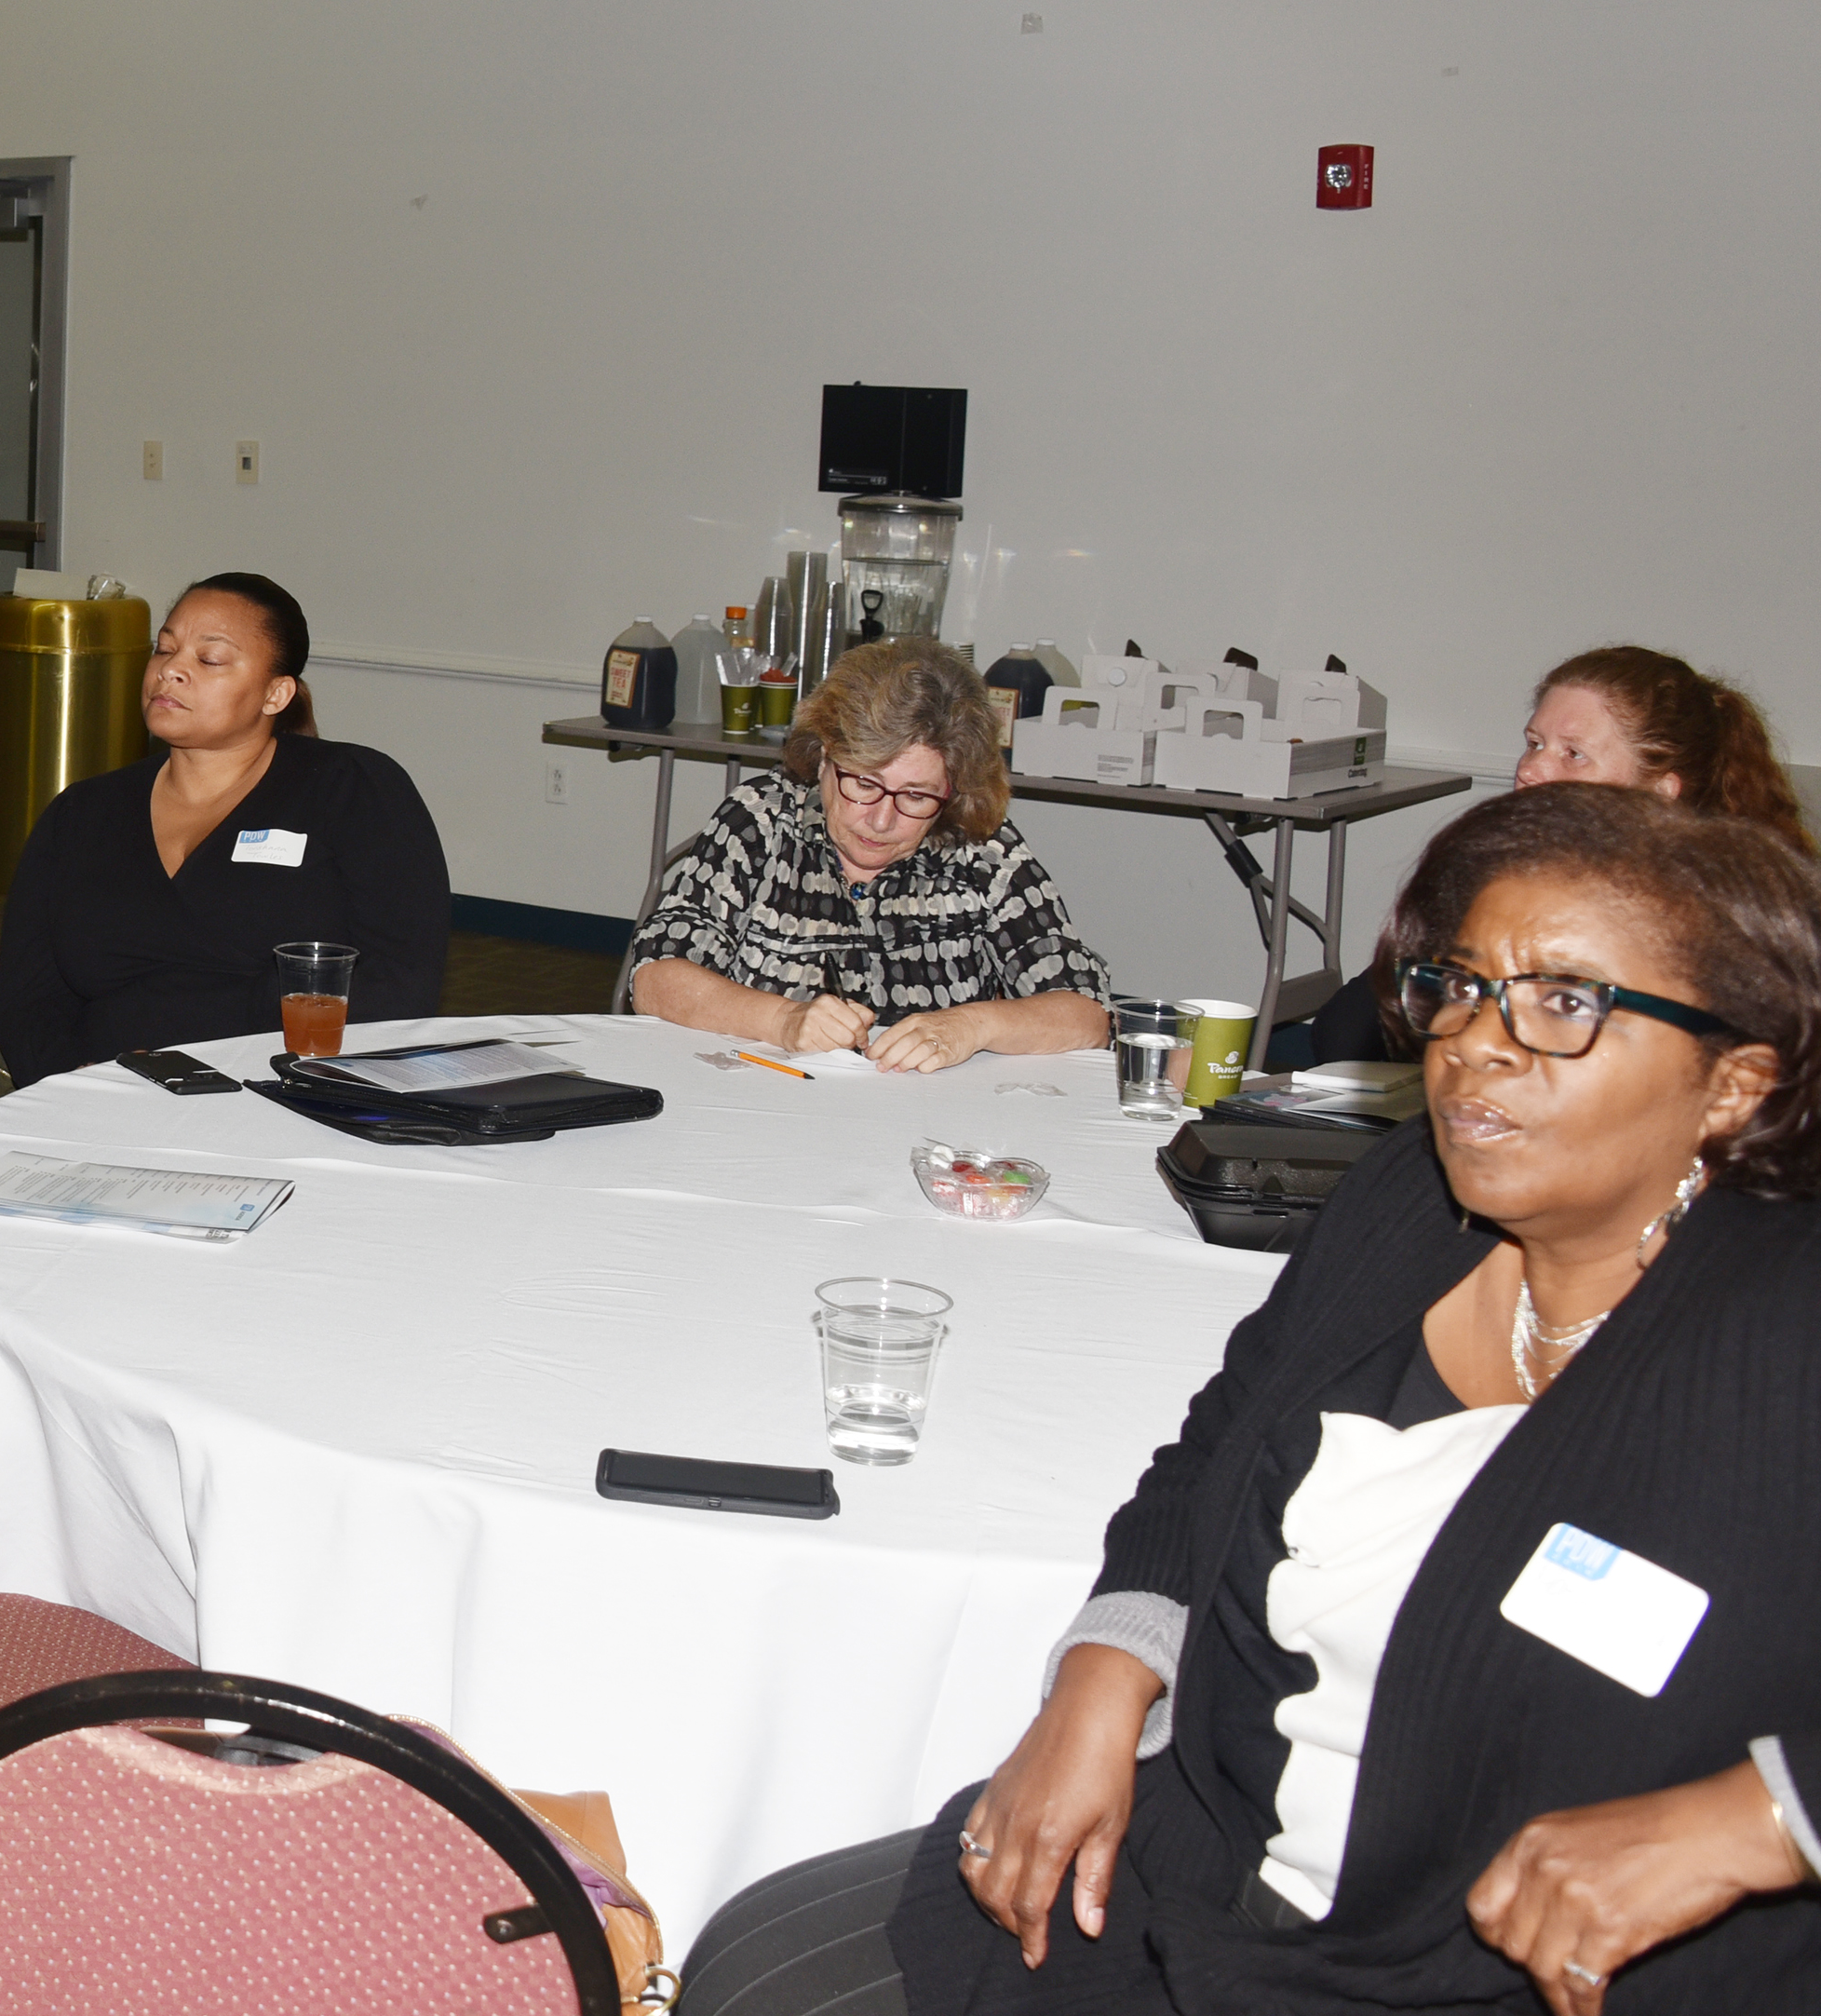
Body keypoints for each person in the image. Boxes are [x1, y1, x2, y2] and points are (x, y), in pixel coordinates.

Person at [679, 783, 1821, 2014]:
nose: (1477, 1041)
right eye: (1463, 983)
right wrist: (1104, 1682)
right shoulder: (1409, 1207)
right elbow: (1220, 1439)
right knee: (750, 1961)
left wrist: (1760, 1813)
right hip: (1208, 1872)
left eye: (1564, 1002)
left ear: (1733, 1082)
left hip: (1478, 1969)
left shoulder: (1781, 1321)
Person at [0, 571, 449, 1085]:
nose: (171, 672)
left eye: (209, 659)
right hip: (105, 1095)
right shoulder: (82, 814)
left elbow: (401, 981)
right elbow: (29, 999)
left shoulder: (353, 789)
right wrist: (70, 1086)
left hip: (287, 1088)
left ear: (275, 695)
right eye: (164, 651)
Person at [627, 637, 1110, 1070]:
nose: (881, 821)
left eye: (916, 797)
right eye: (863, 784)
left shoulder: (982, 848)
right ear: (822, 759)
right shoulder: (760, 821)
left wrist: (970, 1026)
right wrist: (785, 1020)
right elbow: (655, 978)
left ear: (954, 791)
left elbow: (1086, 1013)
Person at [1309, 649, 1814, 1062]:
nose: (1531, 770)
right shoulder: (1499, 876)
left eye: (1573, 754)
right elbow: (1347, 1029)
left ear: (1660, 792)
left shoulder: (1707, 925)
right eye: (1534, 743)